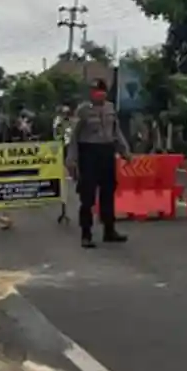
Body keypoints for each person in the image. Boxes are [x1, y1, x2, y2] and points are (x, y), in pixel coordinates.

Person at [66, 79, 132, 248]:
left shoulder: (110, 108)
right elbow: (74, 137)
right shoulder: (83, 111)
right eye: (95, 92)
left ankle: (109, 230)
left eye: (101, 92)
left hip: (107, 153)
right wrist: (71, 159)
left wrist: (125, 151)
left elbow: (116, 132)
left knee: (108, 194)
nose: (98, 95)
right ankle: (86, 234)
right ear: (91, 94)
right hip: (88, 154)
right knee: (87, 196)